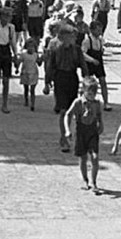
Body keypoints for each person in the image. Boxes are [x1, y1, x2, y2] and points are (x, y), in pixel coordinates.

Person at [43, 20, 84, 151]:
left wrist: (87, 82)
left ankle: (72, 135)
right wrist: (47, 82)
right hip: (60, 79)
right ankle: (64, 138)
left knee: (74, 110)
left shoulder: (77, 50)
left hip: (72, 78)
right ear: (64, 36)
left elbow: (83, 66)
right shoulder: (56, 49)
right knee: (63, 110)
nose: (74, 38)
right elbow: (50, 65)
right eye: (71, 35)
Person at [65, 78, 104, 192]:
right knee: (83, 157)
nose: (92, 96)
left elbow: (99, 115)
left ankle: (94, 181)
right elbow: (68, 114)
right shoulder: (78, 102)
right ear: (84, 91)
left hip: (92, 132)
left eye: (94, 94)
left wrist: (101, 125)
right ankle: (85, 179)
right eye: (90, 93)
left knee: (95, 157)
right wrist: (67, 130)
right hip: (81, 132)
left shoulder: (97, 103)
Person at [81, 18, 111, 110]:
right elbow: (83, 53)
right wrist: (92, 60)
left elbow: (107, 43)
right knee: (88, 84)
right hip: (90, 64)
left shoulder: (100, 39)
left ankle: (106, 103)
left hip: (99, 63)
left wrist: (119, 44)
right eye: (98, 30)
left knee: (103, 82)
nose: (100, 32)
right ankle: (83, 102)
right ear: (92, 30)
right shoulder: (87, 40)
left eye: (100, 30)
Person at [18, 37, 41, 110]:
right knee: (26, 88)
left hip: (34, 73)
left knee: (32, 89)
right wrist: (16, 66)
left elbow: (39, 63)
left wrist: (43, 58)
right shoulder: (23, 55)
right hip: (25, 73)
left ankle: (32, 104)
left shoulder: (35, 55)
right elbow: (19, 62)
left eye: (32, 47)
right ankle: (26, 100)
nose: (31, 48)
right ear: (26, 47)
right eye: (29, 46)